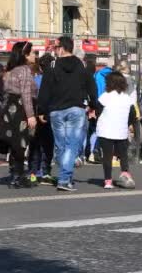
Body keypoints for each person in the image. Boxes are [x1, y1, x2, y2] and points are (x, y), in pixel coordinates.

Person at [38, 36, 97, 192]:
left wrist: (42, 110)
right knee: (71, 145)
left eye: (56, 48)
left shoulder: (52, 65)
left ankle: (65, 177)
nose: (55, 51)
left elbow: (45, 89)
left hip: (56, 110)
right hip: (76, 109)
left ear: (62, 48)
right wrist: (93, 104)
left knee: (61, 146)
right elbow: (91, 85)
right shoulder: (80, 65)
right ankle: (65, 178)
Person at [0, 42, 37, 188]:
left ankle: (14, 173)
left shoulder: (10, 70)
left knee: (13, 143)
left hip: (9, 108)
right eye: (32, 52)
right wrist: (31, 115)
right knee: (21, 143)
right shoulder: (25, 70)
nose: (35, 55)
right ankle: (19, 176)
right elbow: (26, 94)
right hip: (20, 108)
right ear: (25, 54)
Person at [96, 72, 136, 189]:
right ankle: (125, 173)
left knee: (107, 156)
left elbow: (98, 111)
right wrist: (126, 124)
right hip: (121, 131)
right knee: (123, 155)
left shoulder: (105, 96)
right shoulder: (127, 98)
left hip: (105, 130)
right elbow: (132, 115)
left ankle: (108, 181)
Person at [28, 53, 55, 185]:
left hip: (35, 115)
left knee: (34, 144)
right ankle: (46, 172)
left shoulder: (35, 80)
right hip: (49, 116)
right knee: (48, 145)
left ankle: (33, 172)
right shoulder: (55, 81)